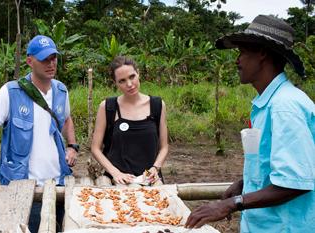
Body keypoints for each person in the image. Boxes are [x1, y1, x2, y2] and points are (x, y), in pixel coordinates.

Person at [185, 15, 315, 232]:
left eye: (243, 53)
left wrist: (231, 204)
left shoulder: (285, 106)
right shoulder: (268, 104)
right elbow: (272, 165)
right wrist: (243, 184)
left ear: (262, 54)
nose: (238, 60)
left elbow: (295, 182)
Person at [0, 35, 79, 231]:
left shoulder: (61, 91)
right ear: (29, 61)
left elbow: (66, 119)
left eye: (53, 58)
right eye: (44, 59)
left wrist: (72, 146)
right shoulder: (10, 92)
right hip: (25, 187)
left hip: (59, 182)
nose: (51, 63)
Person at [91, 56, 168, 186]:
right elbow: (95, 148)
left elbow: (164, 147)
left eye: (132, 77)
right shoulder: (108, 107)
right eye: (122, 81)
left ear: (138, 73)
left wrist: (155, 168)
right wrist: (115, 173)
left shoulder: (157, 105)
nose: (129, 84)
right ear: (115, 83)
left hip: (149, 179)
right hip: (116, 181)